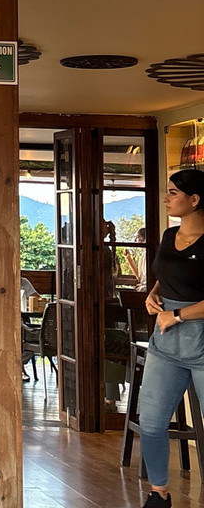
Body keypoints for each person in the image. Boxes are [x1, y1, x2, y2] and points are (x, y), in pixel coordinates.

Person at [137, 169, 204, 508]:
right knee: (151, 422)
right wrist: (153, 294)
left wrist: (177, 315)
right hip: (165, 341)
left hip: (199, 339)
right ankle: (158, 494)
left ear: (195, 200)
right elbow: (165, 276)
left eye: (173, 193)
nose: (166, 198)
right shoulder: (168, 235)